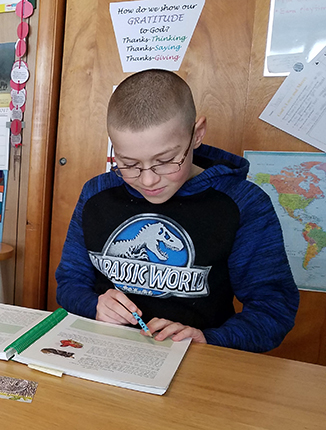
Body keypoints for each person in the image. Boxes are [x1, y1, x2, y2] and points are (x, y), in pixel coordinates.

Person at [55, 69, 299, 353]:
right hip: (105, 353)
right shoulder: (96, 194)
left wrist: (210, 339)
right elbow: (69, 284)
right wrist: (94, 305)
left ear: (197, 134)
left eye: (166, 161)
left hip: (197, 361)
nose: (148, 180)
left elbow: (274, 309)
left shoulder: (244, 203)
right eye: (129, 164)